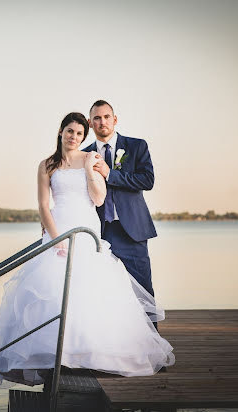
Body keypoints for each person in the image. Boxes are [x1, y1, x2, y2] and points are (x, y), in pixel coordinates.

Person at [0, 112, 174, 388]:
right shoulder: (46, 165)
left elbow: (98, 198)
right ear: (61, 131)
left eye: (80, 134)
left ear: (85, 136)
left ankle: (91, 355)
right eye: (70, 131)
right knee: (51, 292)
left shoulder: (90, 158)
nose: (74, 137)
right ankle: (56, 357)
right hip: (59, 231)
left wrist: (92, 173)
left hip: (85, 230)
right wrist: (56, 239)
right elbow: (44, 206)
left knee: (91, 291)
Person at [82, 100, 158, 328]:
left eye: (106, 117)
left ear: (115, 119)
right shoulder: (83, 155)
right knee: (98, 291)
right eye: (96, 118)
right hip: (98, 234)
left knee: (143, 291)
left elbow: (147, 180)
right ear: (90, 123)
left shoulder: (137, 146)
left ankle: (153, 352)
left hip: (132, 232)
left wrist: (110, 174)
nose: (102, 122)